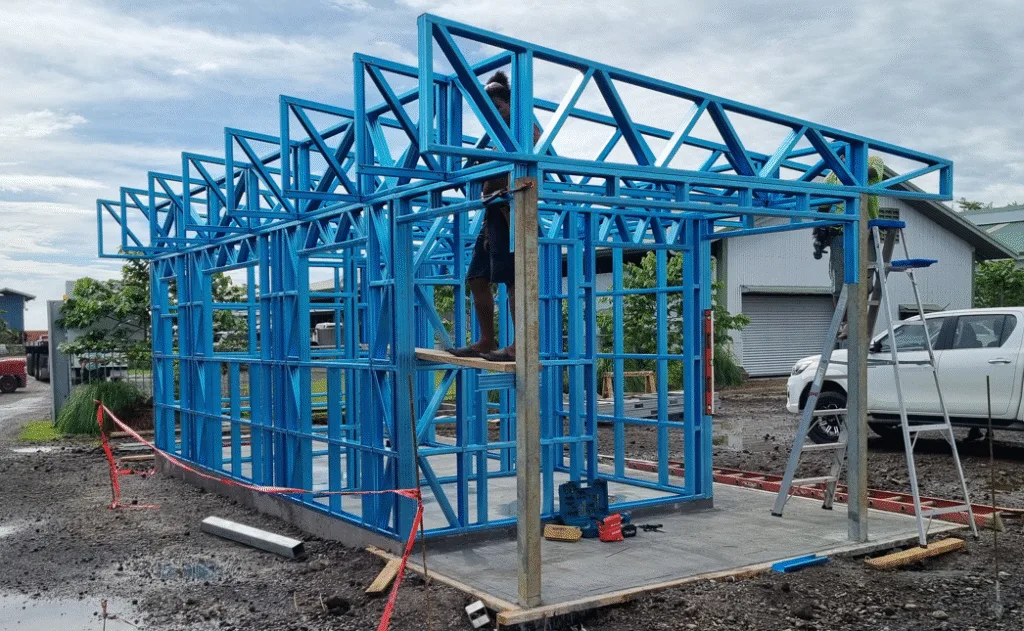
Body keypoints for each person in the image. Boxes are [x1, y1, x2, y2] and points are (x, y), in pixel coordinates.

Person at [448, 71, 539, 362]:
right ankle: (487, 339)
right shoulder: (497, 136)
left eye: (498, 107)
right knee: (476, 277)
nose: (495, 114)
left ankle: (519, 345)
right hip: (492, 213)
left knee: (514, 280)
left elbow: (534, 147)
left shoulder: (524, 128)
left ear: (510, 104)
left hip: (512, 210)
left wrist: (492, 165)